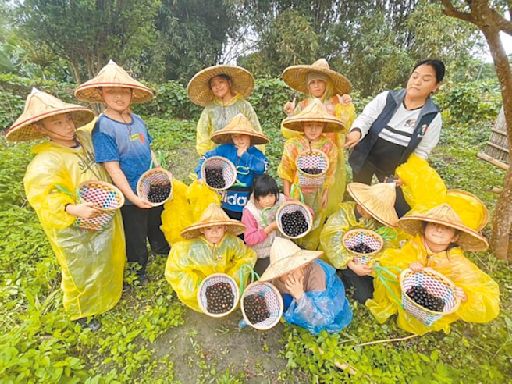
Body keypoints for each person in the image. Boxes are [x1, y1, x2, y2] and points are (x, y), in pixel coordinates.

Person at [6, 89, 125, 330]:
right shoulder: (45, 162)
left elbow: (102, 125)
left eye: (68, 119)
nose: (67, 126)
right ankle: (83, 312)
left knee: (107, 254)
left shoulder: (84, 139)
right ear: (42, 129)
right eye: (57, 123)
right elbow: (44, 196)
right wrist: (73, 209)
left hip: (103, 212)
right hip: (76, 225)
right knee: (82, 266)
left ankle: (112, 291)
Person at [75, 60, 170, 281]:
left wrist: (160, 170)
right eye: (111, 92)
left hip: (151, 185)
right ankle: (138, 270)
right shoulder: (104, 127)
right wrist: (132, 197)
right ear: (101, 94)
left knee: (156, 220)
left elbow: (149, 150)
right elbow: (113, 167)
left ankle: (160, 247)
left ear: (131, 94)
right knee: (135, 233)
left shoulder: (138, 120)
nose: (119, 97)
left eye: (124, 92)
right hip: (129, 192)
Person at [366, 203, 500, 335]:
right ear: (424, 227)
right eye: (434, 224)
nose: (439, 230)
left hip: (432, 305)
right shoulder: (414, 244)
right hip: (408, 294)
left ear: (454, 237)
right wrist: (407, 265)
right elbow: (390, 260)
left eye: (446, 228)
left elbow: (488, 300)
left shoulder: (456, 263)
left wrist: (466, 296)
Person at [345, 59, 445, 216]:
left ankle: (383, 222)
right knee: (360, 192)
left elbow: (422, 152)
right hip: (366, 155)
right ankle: (357, 220)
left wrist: (404, 175)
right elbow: (366, 118)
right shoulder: (387, 98)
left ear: (436, 86)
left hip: (393, 168)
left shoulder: (432, 117)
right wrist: (356, 132)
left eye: (426, 79)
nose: (417, 82)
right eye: (415, 76)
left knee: (394, 202)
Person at [281, 58, 356, 215]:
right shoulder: (303, 104)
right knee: (304, 190)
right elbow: (290, 131)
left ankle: (322, 223)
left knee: (328, 192)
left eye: (320, 82)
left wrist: (346, 107)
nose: (316, 86)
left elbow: (346, 126)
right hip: (305, 156)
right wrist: (290, 114)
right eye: (312, 82)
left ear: (327, 83)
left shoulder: (338, 102)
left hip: (330, 152)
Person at [278, 99, 344, 250]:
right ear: (302, 125)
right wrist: (288, 195)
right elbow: (286, 171)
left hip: (318, 192)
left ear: (324, 127)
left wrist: (326, 193)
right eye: (309, 125)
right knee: (294, 219)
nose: (313, 130)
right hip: (297, 191)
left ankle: (309, 252)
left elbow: (330, 173)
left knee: (314, 222)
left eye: (318, 125)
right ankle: (292, 250)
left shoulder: (329, 146)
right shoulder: (292, 144)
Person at [165, 204, 257, 312]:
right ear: (202, 230)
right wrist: (199, 284)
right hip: (202, 278)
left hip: (225, 276)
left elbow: (247, 256)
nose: (215, 232)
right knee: (192, 292)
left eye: (219, 227)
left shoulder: (231, 242)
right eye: (209, 228)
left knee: (240, 286)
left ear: (225, 228)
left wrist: (233, 277)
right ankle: (203, 299)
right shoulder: (190, 248)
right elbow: (175, 269)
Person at [320, 182, 400, 304]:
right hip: (341, 258)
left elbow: (387, 239)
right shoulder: (343, 214)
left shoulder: (375, 220)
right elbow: (332, 240)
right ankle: (342, 275)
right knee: (364, 296)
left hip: (364, 260)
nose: (374, 216)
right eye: (372, 211)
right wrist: (351, 264)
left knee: (373, 290)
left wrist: (374, 262)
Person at [259, 238, 353, 335]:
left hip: (323, 300)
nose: (288, 277)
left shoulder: (316, 275)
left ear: (303, 266)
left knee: (315, 315)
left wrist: (300, 296)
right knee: (284, 300)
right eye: (283, 274)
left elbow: (321, 318)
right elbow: (271, 291)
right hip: (299, 295)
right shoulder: (279, 278)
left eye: (291, 272)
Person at [195, 113, 268, 221]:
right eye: (235, 136)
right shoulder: (224, 150)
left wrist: (245, 156)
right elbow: (205, 158)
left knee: (244, 231)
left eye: (243, 135)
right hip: (224, 202)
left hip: (247, 205)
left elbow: (261, 168)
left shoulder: (256, 154)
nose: (239, 139)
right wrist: (201, 175)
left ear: (250, 136)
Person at [187, 65, 263, 156]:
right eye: (213, 85)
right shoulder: (210, 109)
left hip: (241, 154)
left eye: (221, 82)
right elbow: (203, 133)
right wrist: (205, 155)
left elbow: (255, 129)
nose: (217, 87)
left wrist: (256, 154)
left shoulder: (244, 106)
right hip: (218, 154)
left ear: (229, 83)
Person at [241, 174, 287, 275]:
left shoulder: (280, 200)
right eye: (263, 197)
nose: (268, 200)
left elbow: (294, 204)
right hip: (261, 253)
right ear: (257, 197)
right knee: (269, 275)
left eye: (271, 195)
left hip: (280, 245)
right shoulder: (250, 212)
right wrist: (269, 229)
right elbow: (249, 239)